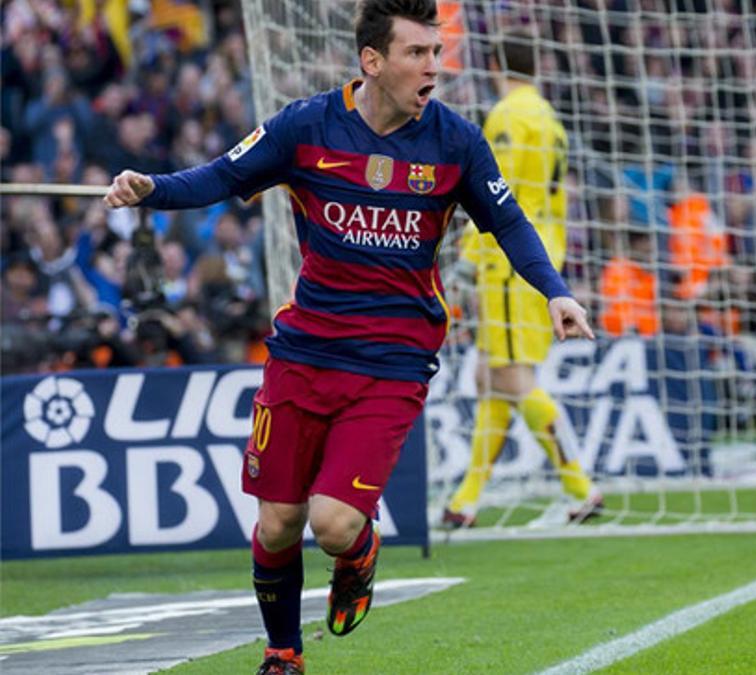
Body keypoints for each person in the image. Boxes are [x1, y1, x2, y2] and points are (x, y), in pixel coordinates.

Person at [103, 2, 594, 673]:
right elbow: (222, 175)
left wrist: (556, 290)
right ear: (372, 61)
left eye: (436, 52)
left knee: (332, 523)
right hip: (305, 350)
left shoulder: (456, 142)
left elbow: (508, 223)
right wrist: (150, 189)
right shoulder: (306, 126)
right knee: (277, 521)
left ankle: (357, 555)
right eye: (417, 54)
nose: (433, 68)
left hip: (393, 360)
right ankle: (284, 653)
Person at [442, 34, 602, 529]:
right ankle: (465, 501)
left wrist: (470, 256)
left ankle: (580, 486)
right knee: (490, 378)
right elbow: (555, 200)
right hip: (542, 256)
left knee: (510, 377)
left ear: (495, 65)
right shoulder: (552, 121)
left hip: (509, 265)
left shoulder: (508, 116)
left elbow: (496, 199)